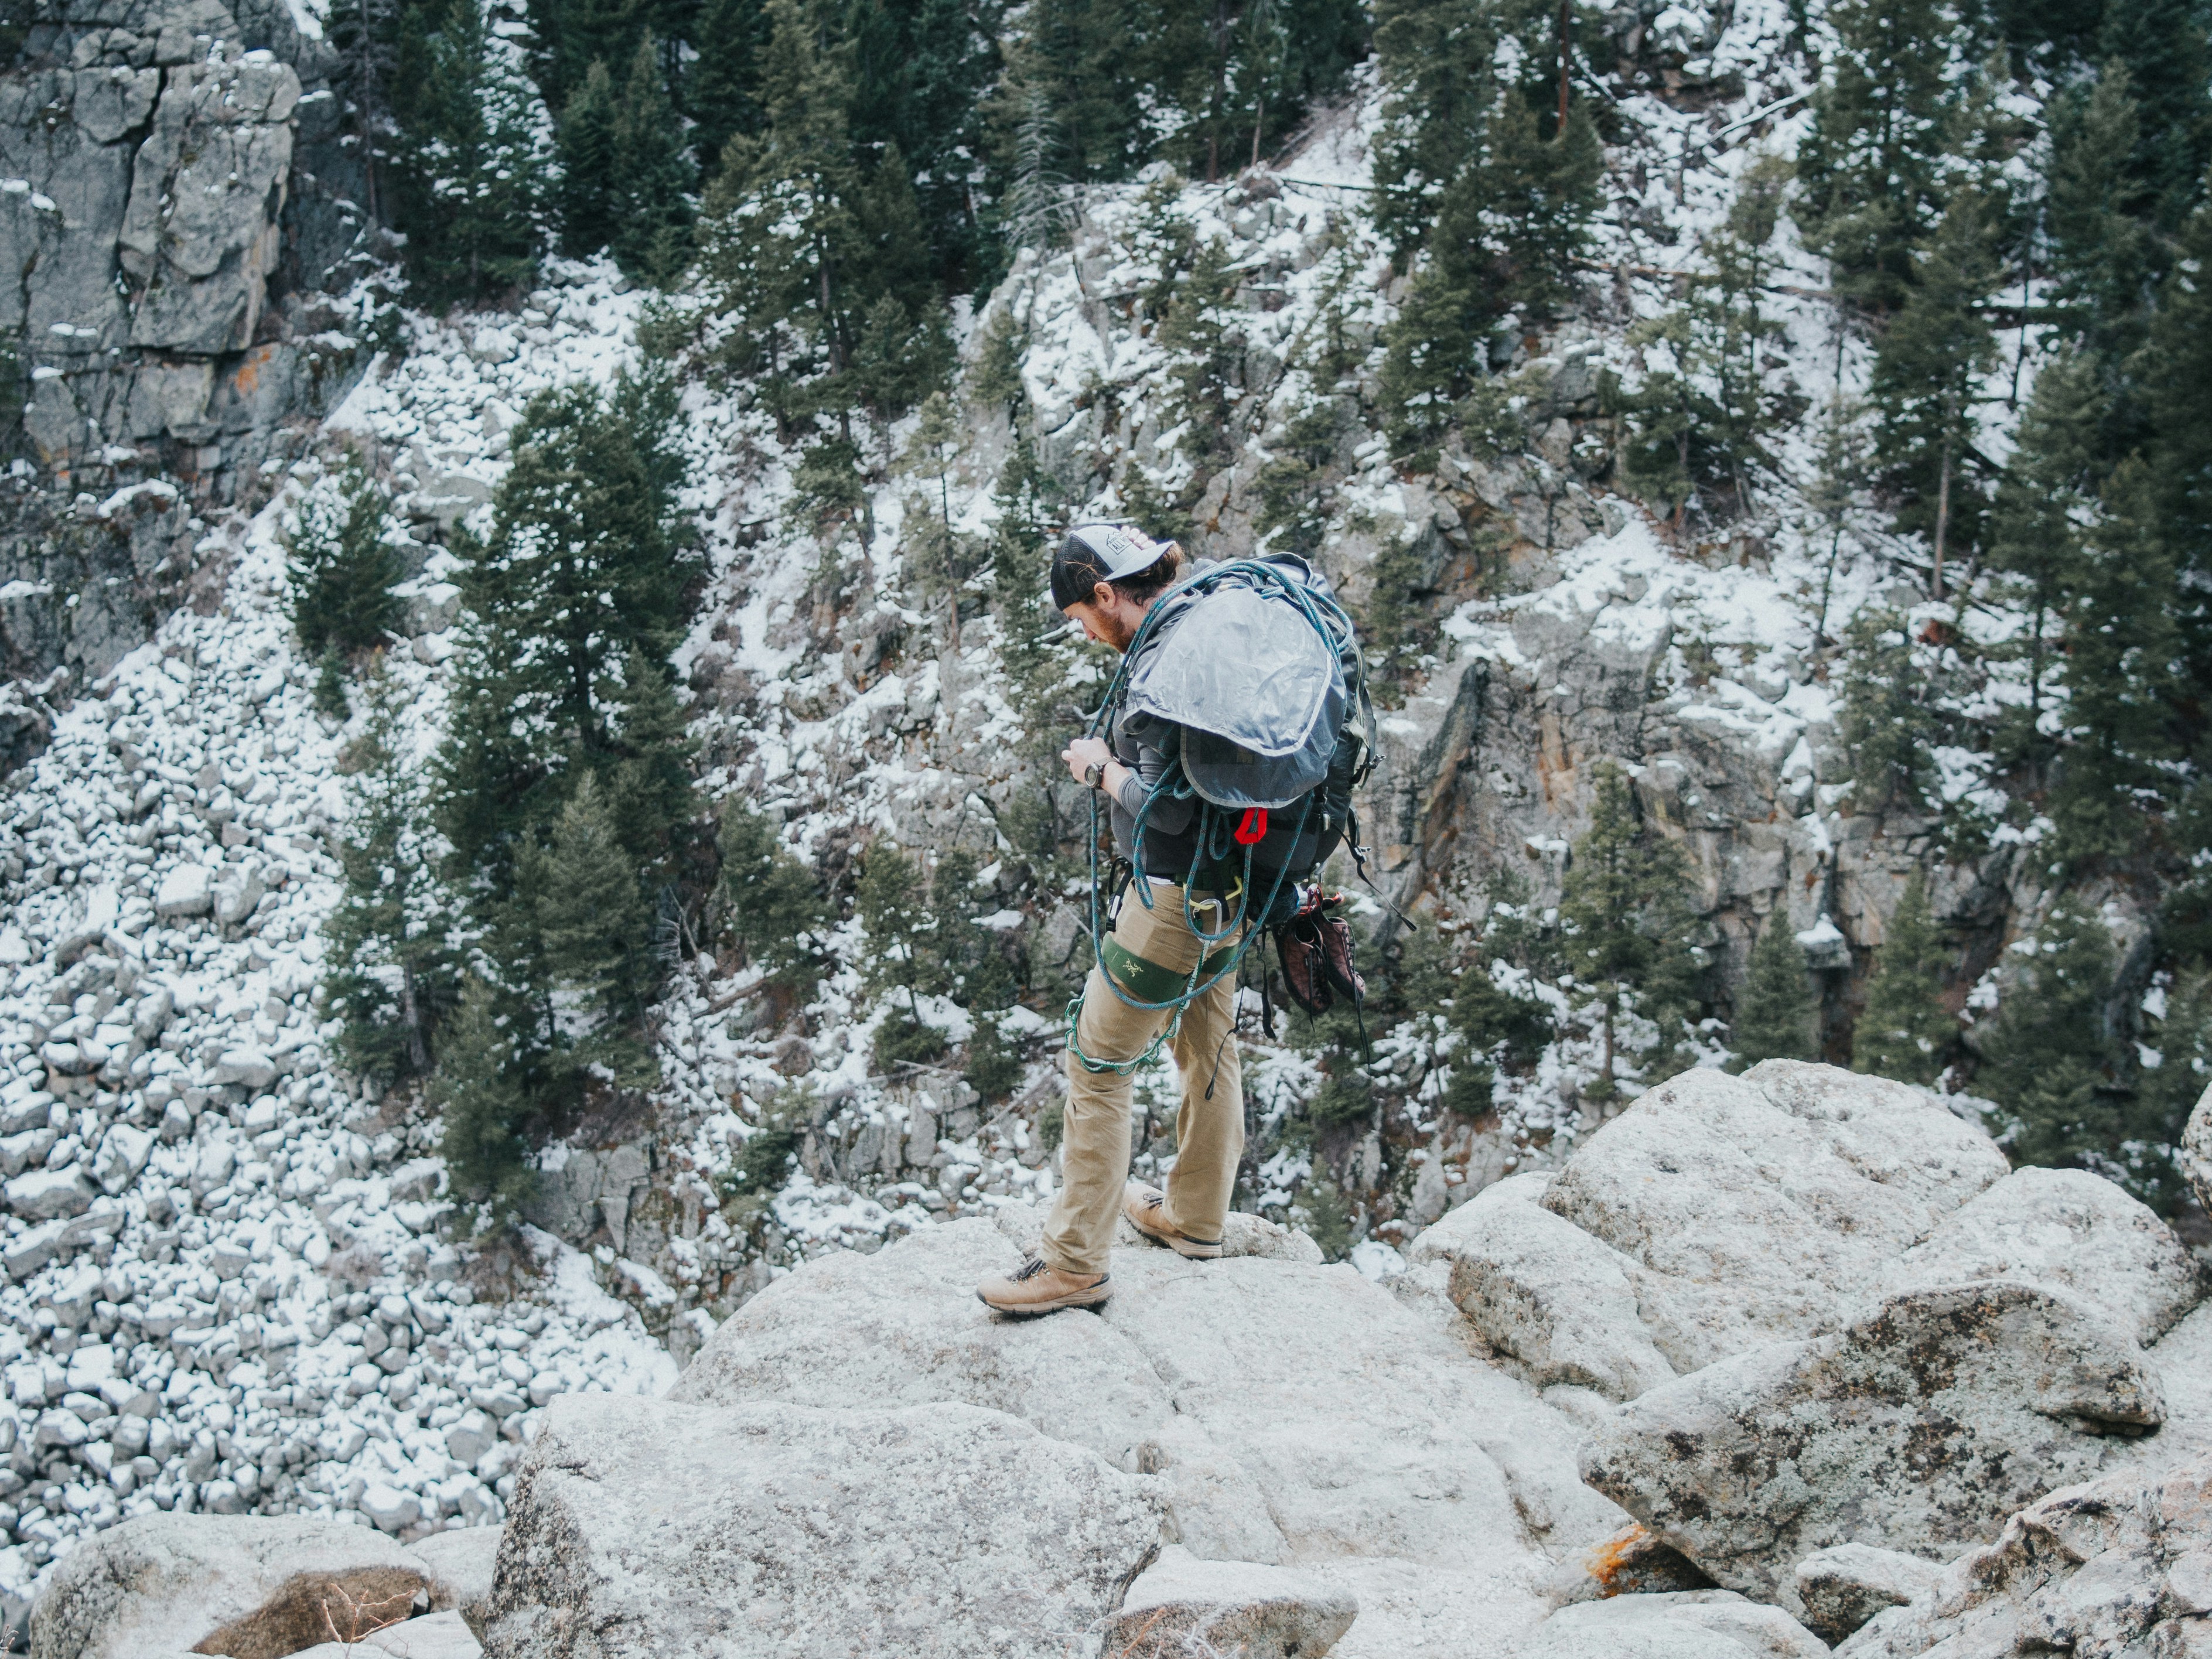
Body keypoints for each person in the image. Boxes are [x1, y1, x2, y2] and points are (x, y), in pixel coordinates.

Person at [977, 523, 1245, 1316]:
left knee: (1097, 1066)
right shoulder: (1211, 627)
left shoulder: (1165, 665)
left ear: (1104, 592)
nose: (1085, 634)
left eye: (1080, 617)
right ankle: (1195, 1218)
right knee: (1208, 1045)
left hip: (1171, 898)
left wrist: (1102, 771)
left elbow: (1167, 812)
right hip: (1235, 889)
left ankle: (1073, 1264)